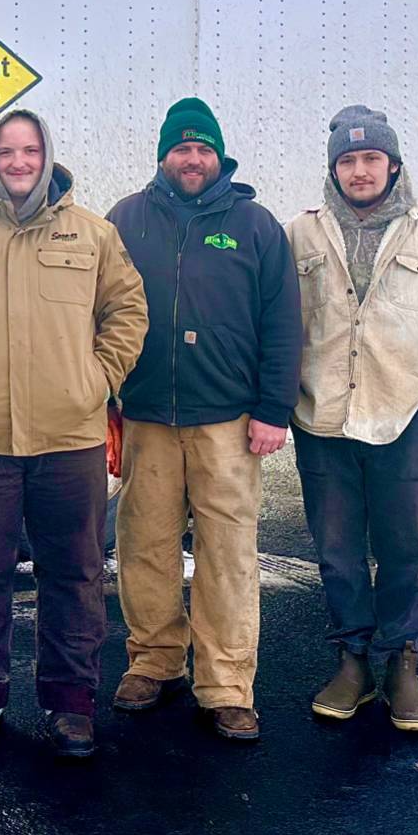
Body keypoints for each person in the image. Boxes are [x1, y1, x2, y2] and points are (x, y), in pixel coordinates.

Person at [0, 108, 147, 761]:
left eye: (29, 149)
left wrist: (94, 380)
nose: (18, 161)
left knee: (72, 572)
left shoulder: (92, 235)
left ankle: (71, 704)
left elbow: (126, 310)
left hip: (68, 437)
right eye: (7, 150)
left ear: (47, 155)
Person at [287, 106, 418, 733]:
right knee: (338, 552)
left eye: (371, 158)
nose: (359, 171)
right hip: (322, 420)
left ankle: (402, 661)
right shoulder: (299, 234)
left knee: (404, 549)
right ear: (333, 170)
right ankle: (353, 660)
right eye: (347, 161)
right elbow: (277, 325)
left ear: (394, 164)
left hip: (406, 418)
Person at [106, 97, 301, 742]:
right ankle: (154, 660)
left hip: (227, 420)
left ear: (219, 156)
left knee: (227, 553)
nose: (193, 159)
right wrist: (106, 396)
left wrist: (273, 409)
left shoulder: (254, 225)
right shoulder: (126, 221)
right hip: (147, 416)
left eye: (203, 149)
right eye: (181, 148)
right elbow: (98, 315)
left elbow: (282, 325)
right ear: (163, 155)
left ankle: (225, 684)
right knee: (144, 543)